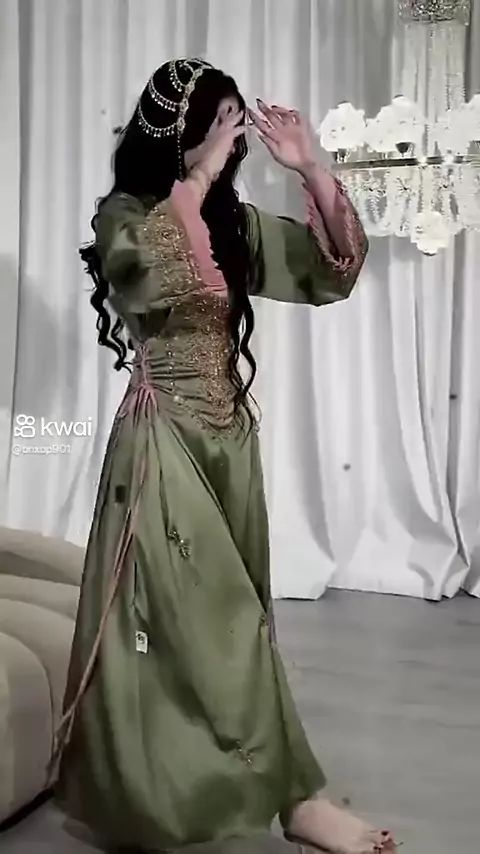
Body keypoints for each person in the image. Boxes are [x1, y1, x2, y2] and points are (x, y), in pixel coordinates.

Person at [53, 58, 396, 854]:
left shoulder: (230, 223)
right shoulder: (127, 217)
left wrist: (311, 166)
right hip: (161, 444)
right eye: (217, 127)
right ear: (177, 133)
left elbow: (334, 272)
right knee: (210, 622)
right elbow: (148, 277)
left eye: (235, 129)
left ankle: (272, 789)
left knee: (242, 621)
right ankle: (276, 798)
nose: (230, 144)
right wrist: (200, 176)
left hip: (229, 443)